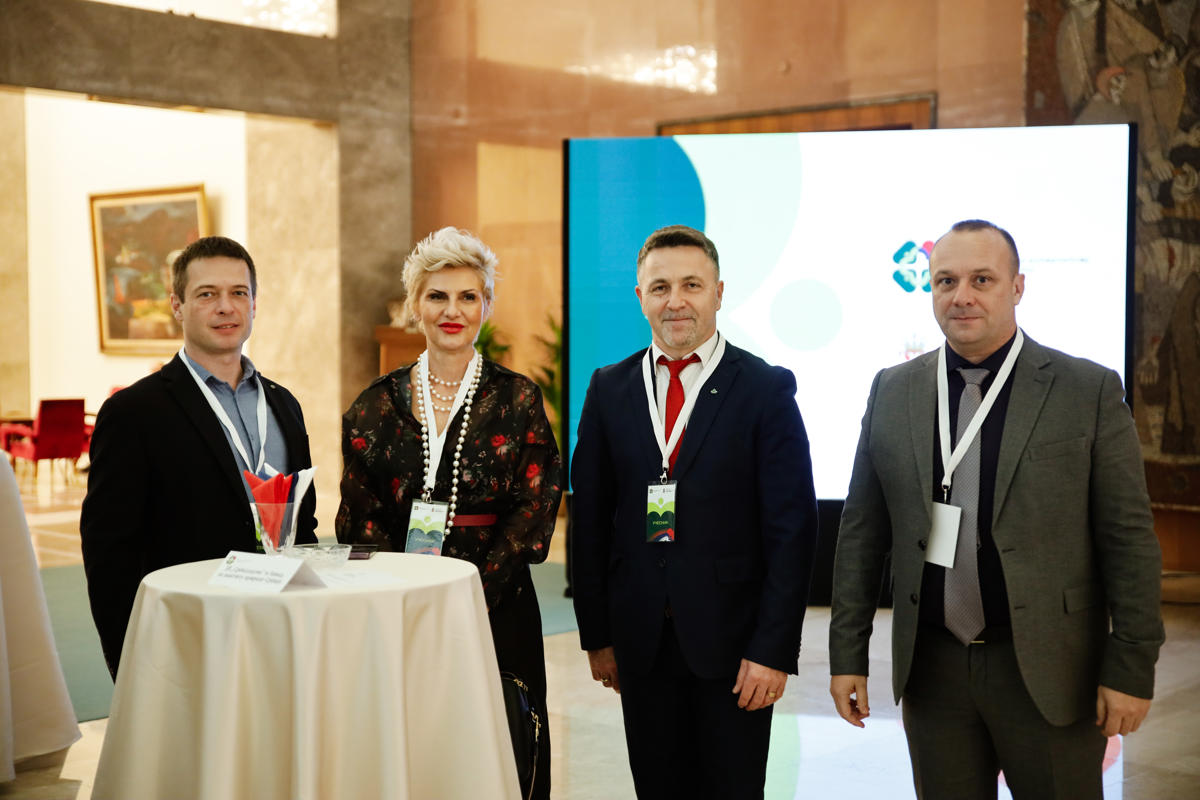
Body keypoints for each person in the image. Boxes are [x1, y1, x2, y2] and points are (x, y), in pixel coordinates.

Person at [829, 220, 1164, 798]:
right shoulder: (893, 389)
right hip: (933, 669)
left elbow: (1128, 540)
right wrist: (847, 654)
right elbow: (862, 533)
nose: (962, 296)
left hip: (1050, 670)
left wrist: (1131, 668)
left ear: (1018, 287)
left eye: (981, 279)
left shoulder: (1085, 390)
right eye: (946, 281)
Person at [570, 225, 818, 799]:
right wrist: (597, 635)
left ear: (719, 293)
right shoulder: (609, 389)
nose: (675, 301)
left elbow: (792, 531)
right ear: (641, 298)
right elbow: (590, 523)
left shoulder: (764, 389)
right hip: (640, 646)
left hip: (735, 650)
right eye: (660, 288)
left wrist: (772, 651)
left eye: (691, 285)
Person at [337, 226, 562, 800]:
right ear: (415, 305)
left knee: (498, 744)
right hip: (397, 609)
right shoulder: (374, 405)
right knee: (409, 745)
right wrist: (401, 592)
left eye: (468, 296)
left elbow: (535, 507)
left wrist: (471, 592)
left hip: (496, 602)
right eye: (437, 296)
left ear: (487, 306)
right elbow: (359, 513)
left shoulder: (518, 399)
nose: (452, 311)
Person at [81, 236, 318, 678]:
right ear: (177, 305)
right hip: (190, 640)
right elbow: (109, 552)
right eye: (207, 294)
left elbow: (303, 527)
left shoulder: (284, 405)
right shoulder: (134, 413)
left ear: (254, 304)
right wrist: (130, 663)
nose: (226, 307)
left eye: (238, 293)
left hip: (285, 635)